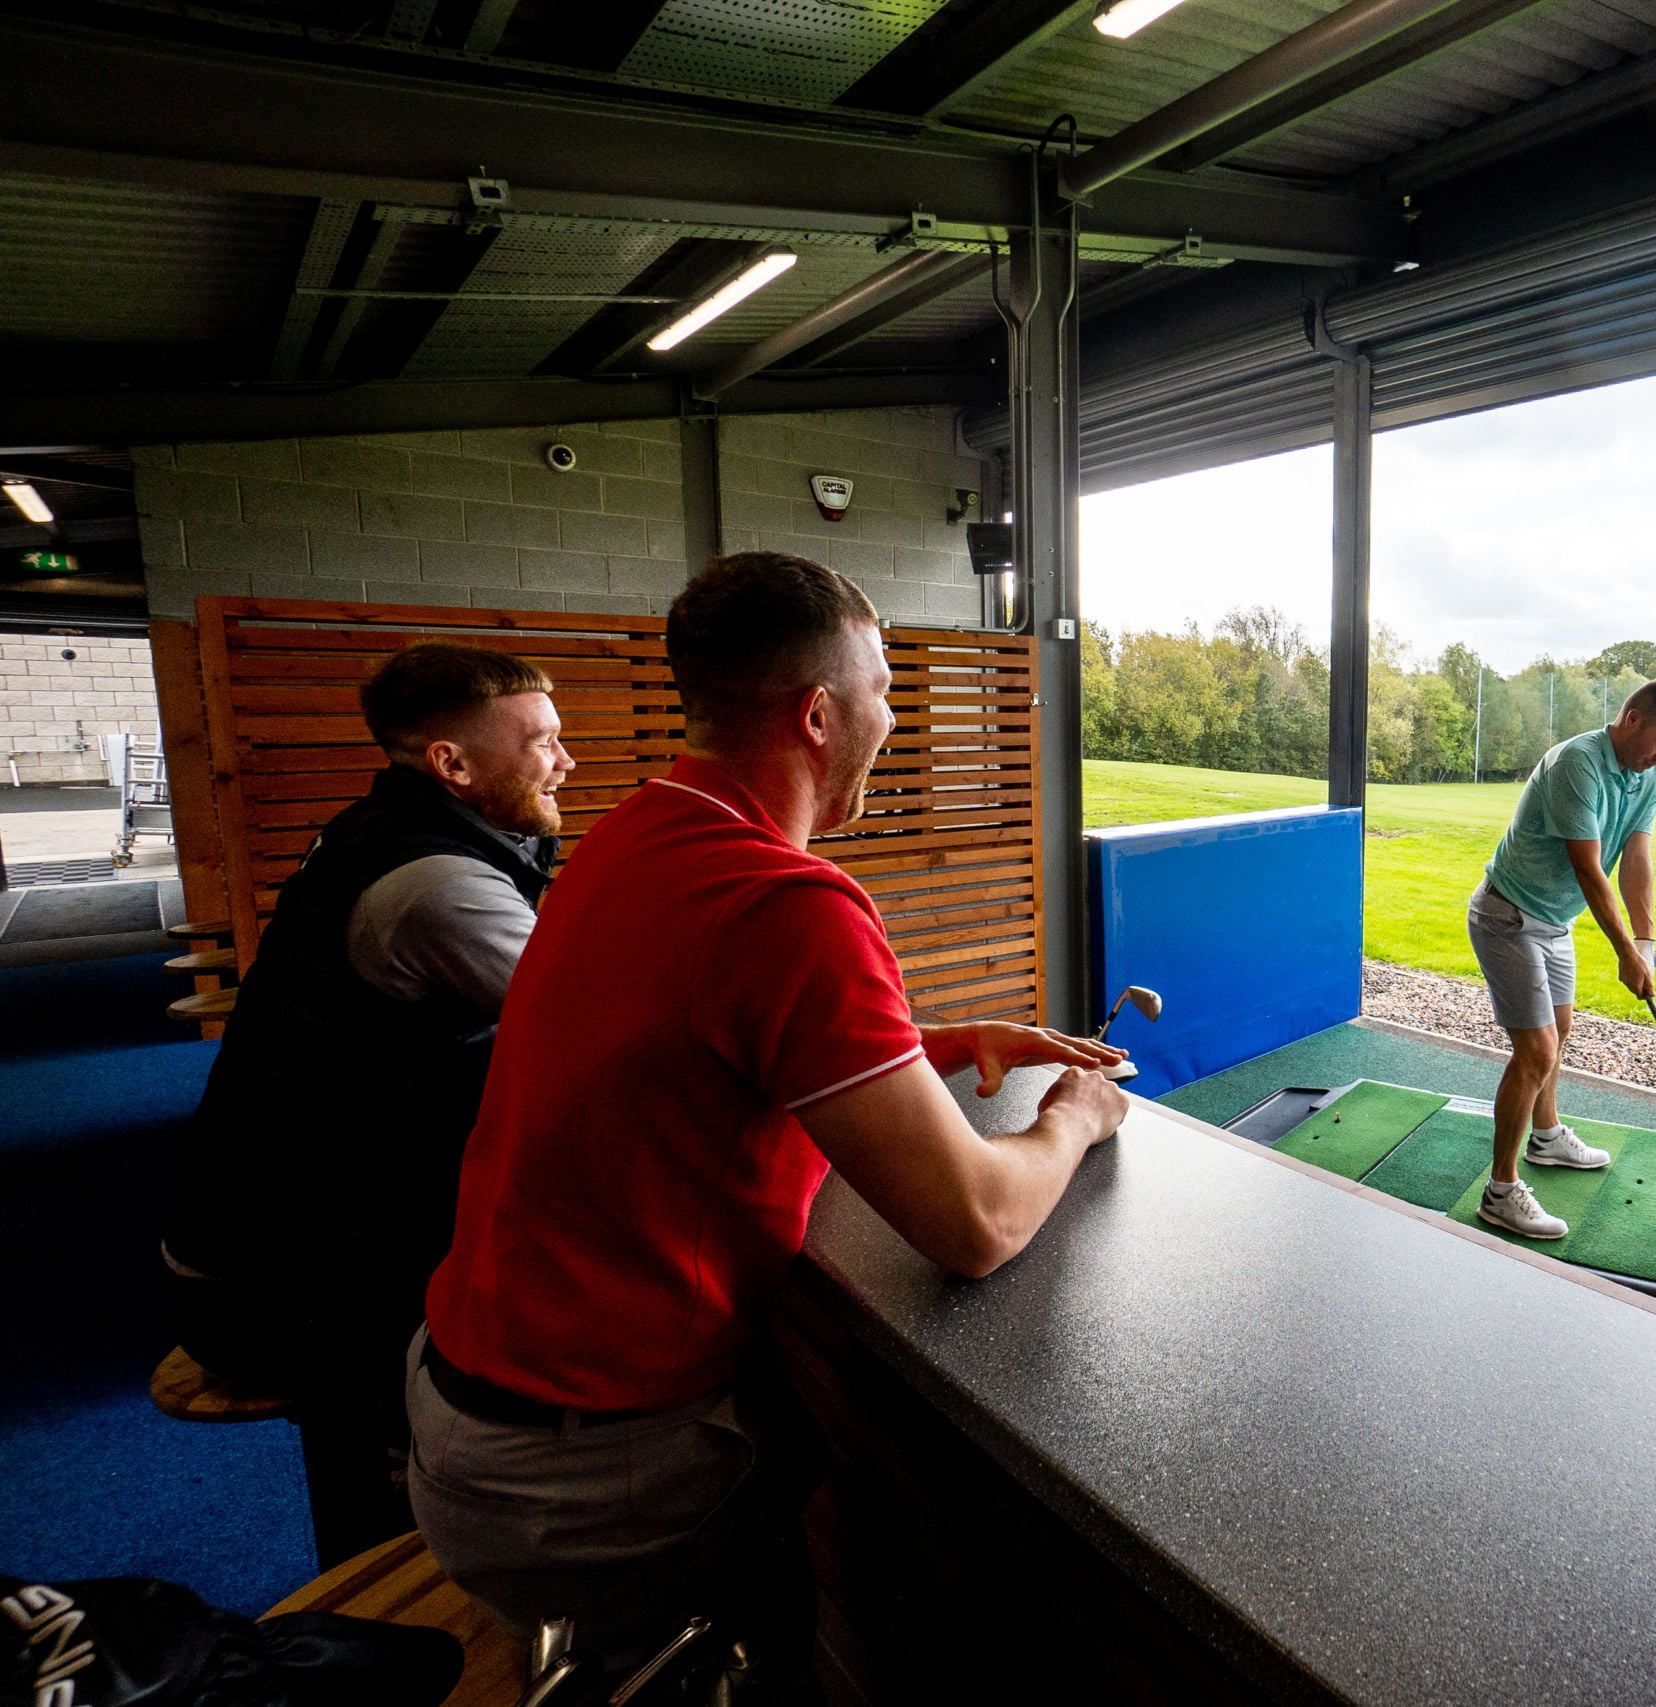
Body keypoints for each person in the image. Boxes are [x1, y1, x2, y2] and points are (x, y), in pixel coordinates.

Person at [407, 552, 1128, 1693]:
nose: (892, 719)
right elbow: (978, 1222)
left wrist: (936, 1045)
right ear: (819, 715)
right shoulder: (788, 903)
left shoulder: (636, 834)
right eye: (883, 690)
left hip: (471, 1423)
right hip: (597, 1482)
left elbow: (702, 1035)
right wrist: (1075, 1118)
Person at [162, 642, 575, 1565]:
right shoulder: (436, 884)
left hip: (246, 1248)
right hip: (263, 1292)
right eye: (541, 742)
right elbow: (603, 1034)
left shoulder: (386, 829)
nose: (566, 761)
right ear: (451, 764)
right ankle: (414, 1527)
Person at [1465, 679, 1656, 1240]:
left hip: (1555, 921)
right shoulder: (1578, 763)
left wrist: (1645, 943)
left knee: (1560, 1029)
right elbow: (1588, 867)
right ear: (1632, 718)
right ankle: (1500, 1191)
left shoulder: (1648, 775)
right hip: (1508, 915)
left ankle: (1546, 1137)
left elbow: (1637, 858)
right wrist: (1623, 952)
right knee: (1536, 1050)